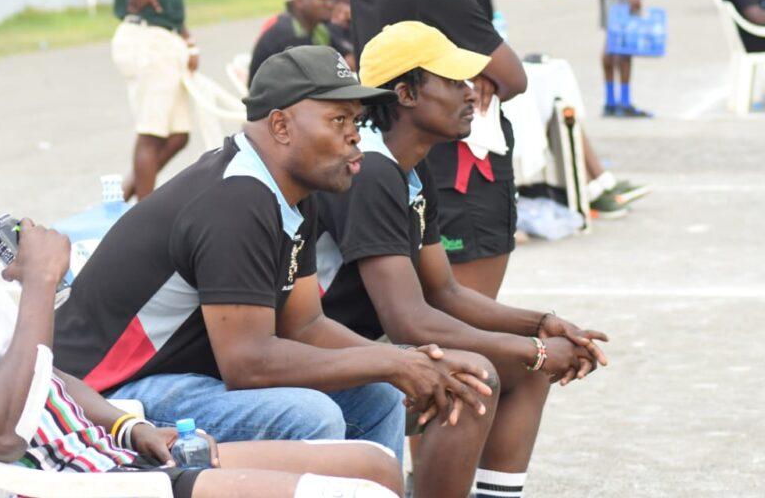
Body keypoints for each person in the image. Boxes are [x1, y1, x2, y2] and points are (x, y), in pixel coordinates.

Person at [0, 104, 405, 498]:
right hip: (78, 484)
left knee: (373, 466)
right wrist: (39, 285)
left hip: (114, 455)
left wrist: (130, 428)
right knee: (355, 491)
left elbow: (50, 377)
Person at [53, 46, 498, 476]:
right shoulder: (236, 199)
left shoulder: (294, 193)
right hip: (108, 392)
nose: (355, 135)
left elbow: (305, 326)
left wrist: (406, 360)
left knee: (378, 396)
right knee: (310, 414)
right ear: (282, 126)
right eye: (338, 119)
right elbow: (248, 363)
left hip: (182, 376)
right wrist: (393, 361)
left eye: (357, 120)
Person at [315, 21, 609, 498]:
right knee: (475, 374)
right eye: (453, 81)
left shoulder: (411, 168)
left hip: (360, 346)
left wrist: (543, 326)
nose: (470, 93)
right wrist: (533, 349)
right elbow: (410, 321)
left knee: (526, 371)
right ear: (406, 94)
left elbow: (445, 292)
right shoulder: (369, 170)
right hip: (321, 356)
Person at [354, 0, 527, 300]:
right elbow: (514, 78)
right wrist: (479, 73)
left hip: (402, 159)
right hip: (463, 167)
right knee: (468, 321)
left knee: (424, 315)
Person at [97, 0, 197, 202]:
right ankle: (142, 220)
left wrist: (188, 40)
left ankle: (121, 198)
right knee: (151, 134)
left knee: (178, 135)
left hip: (166, 36)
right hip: (146, 37)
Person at [248, 0, 346, 83]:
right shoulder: (286, 34)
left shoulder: (319, 27)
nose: (330, 4)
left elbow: (344, 60)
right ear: (299, 2)